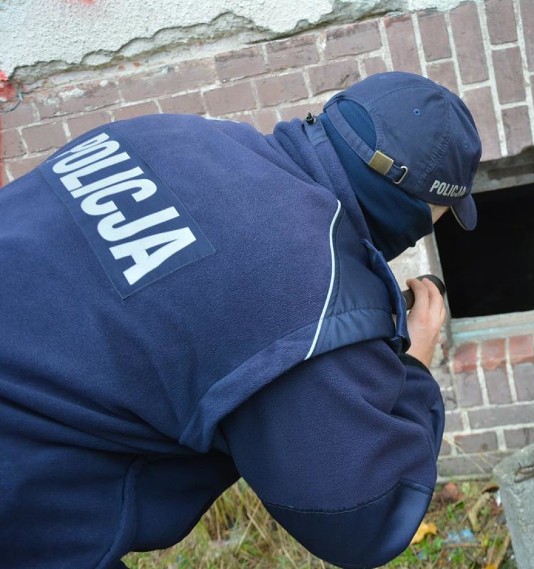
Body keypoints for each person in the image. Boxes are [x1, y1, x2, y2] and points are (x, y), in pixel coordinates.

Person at [0, 71, 482, 568]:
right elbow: (366, 518)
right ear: (423, 204)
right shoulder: (309, 290)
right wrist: (415, 372)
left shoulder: (174, 134)